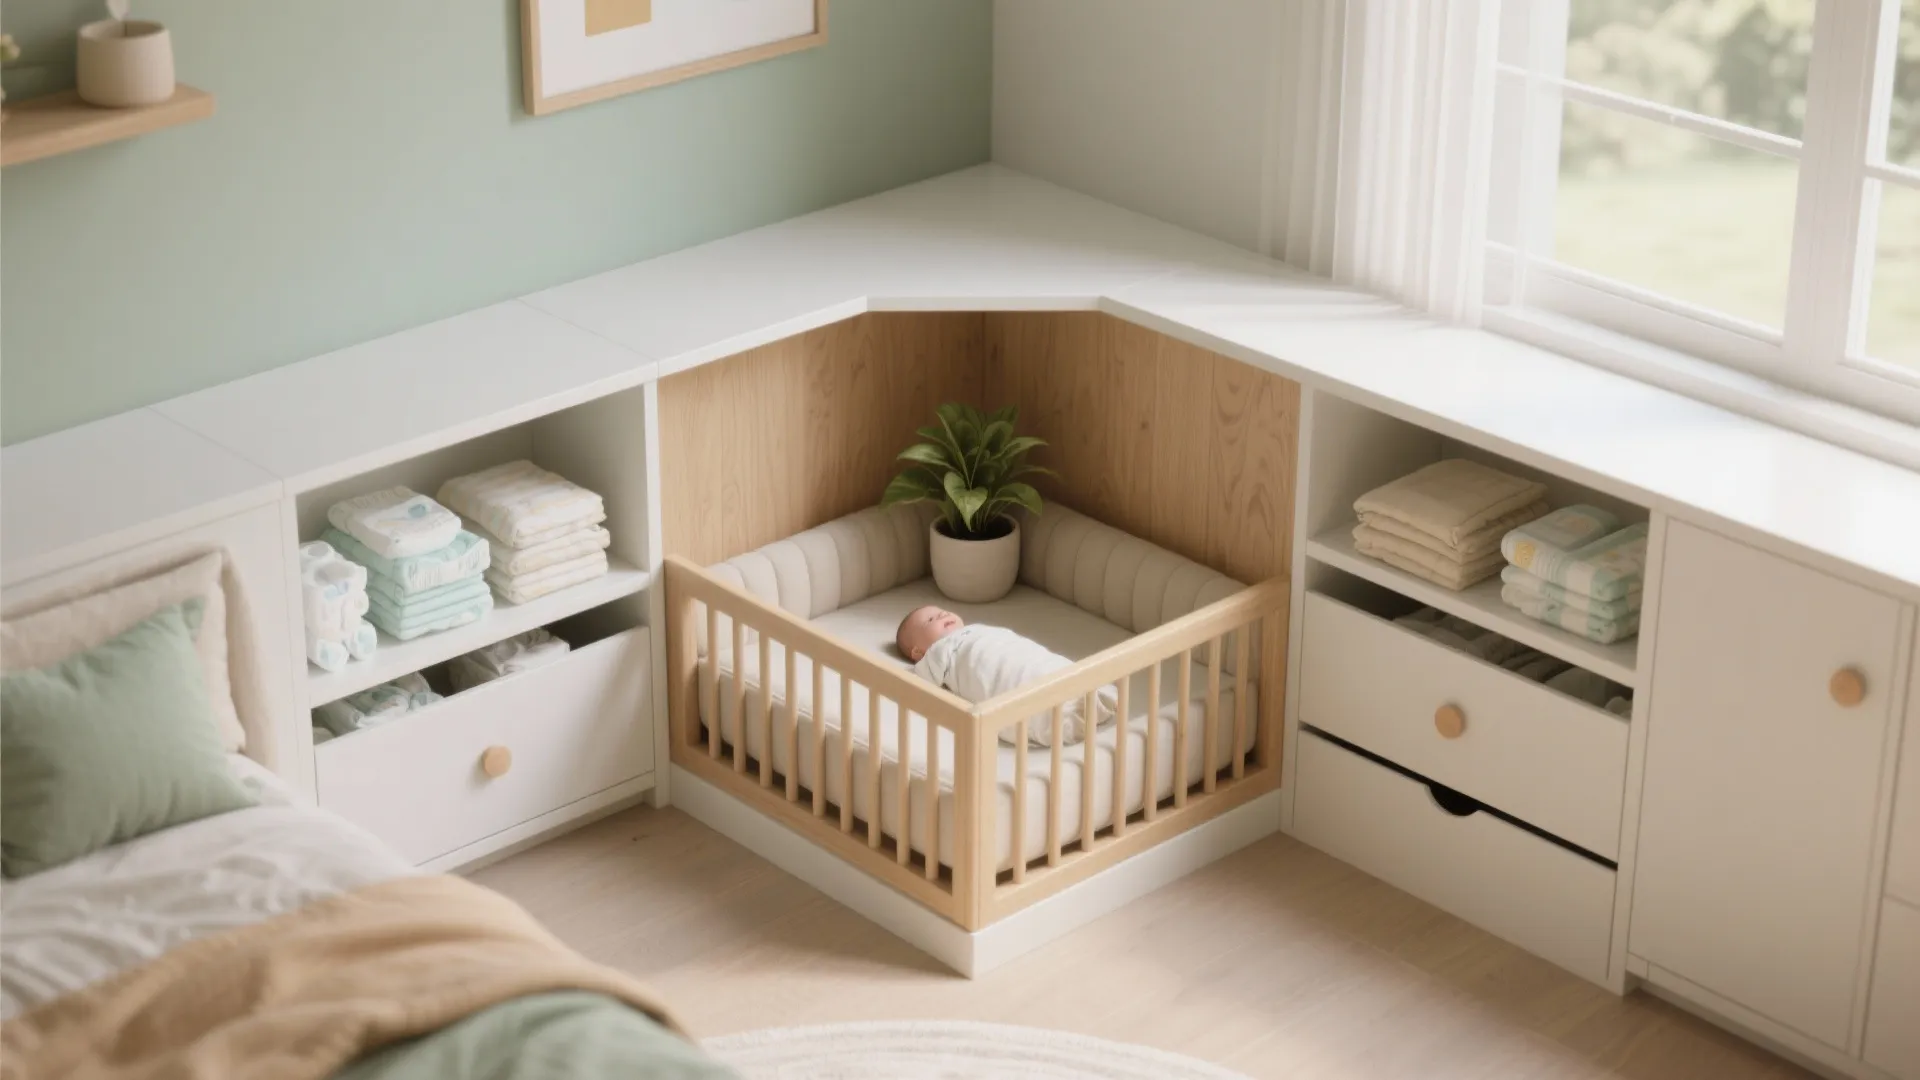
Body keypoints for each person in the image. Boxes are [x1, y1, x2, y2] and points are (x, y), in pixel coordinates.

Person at [897, 604, 1116, 747]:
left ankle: (1084, 692)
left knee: (1038, 664)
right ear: (918, 651)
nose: (942, 614)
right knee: (1017, 684)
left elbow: (1013, 647)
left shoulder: (977, 629)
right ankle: (1064, 713)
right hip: (997, 674)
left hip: (1016, 655)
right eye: (931, 619)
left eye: (942, 610)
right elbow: (919, 684)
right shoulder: (937, 653)